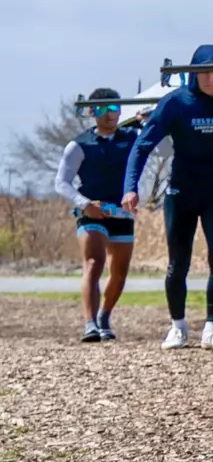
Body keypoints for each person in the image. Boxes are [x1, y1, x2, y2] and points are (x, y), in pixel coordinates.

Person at [121, 45, 213, 353]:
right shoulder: (175, 102)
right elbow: (142, 145)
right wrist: (131, 187)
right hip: (181, 193)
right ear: (194, 72)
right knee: (178, 263)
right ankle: (177, 327)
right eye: (207, 72)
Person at [55, 90, 140, 342]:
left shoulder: (133, 138)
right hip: (91, 210)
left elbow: (165, 151)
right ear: (92, 112)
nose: (110, 113)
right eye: (103, 109)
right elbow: (62, 182)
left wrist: (148, 123)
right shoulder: (79, 145)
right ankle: (90, 324)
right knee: (94, 263)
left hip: (122, 212)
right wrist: (84, 203)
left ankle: (104, 316)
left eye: (114, 107)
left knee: (119, 272)